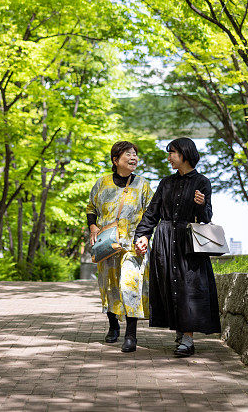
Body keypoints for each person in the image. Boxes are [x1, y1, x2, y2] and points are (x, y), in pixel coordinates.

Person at [133, 137, 221, 357]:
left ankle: (188, 339)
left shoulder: (202, 182)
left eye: (172, 152)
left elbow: (206, 217)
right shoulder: (166, 183)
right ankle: (181, 333)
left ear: (184, 154)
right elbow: (152, 212)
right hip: (164, 239)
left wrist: (201, 205)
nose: (169, 157)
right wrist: (142, 235)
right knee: (168, 285)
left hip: (187, 242)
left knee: (188, 286)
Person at [87, 141, 153, 353]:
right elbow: (91, 208)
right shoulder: (102, 183)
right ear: (116, 160)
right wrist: (93, 227)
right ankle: (113, 324)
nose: (133, 158)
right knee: (110, 285)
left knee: (130, 285)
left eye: (135, 154)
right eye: (128, 155)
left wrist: (144, 236)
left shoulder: (142, 184)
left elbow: (151, 213)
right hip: (107, 242)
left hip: (134, 243)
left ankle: (131, 335)